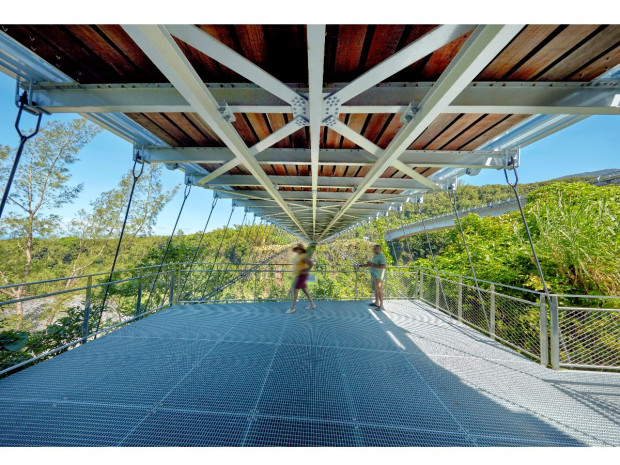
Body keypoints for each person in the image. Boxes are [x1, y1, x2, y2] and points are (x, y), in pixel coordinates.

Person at [285, 243, 316, 314]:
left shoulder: (303, 256)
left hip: (302, 276)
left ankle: (292, 308)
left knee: (295, 291)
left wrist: (306, 271)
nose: (298, 250)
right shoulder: (298, 256)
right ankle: (312, 304)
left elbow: (311, 264)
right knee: (305, 290)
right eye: (297, 249)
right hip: (299, 275)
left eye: (299, 249)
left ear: (302, 250)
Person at [358, 244, 387, 311]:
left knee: (379, 290)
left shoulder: (381, 256)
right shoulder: (375, 256)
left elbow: (383, 266)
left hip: (379, 276)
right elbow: (372, 265)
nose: (373, 250)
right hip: (374, 275)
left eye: (375, 249)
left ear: (379, 249)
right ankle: (377, 303)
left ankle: (381, 306)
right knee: (376, 290)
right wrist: (361, 265)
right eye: (373, 249)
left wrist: (373, 265)